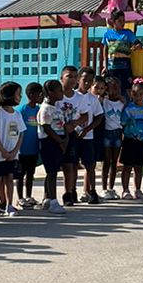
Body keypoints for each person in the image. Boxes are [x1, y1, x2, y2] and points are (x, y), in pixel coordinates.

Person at [0, 82, 25, 216]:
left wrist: (14, 152)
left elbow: (21, 134)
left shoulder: (17, 114)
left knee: (9, 178)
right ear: (9, 95)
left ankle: (9, 205)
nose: (20, 97)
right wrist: (2, 150)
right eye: (18, 94)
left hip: (12, 154)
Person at [36, 79, 68, 212]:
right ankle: (54, 201)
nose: (62, 92)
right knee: (52, 172)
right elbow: (47, 128)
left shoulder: (58, 107)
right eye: (59, 90)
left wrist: (65, 138)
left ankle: (48, 198)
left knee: (53, 170)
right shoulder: (45, 109)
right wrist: (60, 142)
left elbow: (63, 124)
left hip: (59, 140)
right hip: (49, 142)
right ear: (50, 93)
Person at [119, 78, 143, 200]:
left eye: (141, 94)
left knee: (139, 167)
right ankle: (125, 190)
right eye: (135, 94)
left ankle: (138, 190)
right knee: (127, 166)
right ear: (131, 94)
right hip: (130, 140)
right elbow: (122, 122)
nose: (138, 96)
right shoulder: (128, 108)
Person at [56, 67, 84, 207]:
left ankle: (69, 193)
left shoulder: (79, 98)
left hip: (71, 134)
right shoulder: (55, 96)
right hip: (55, 134)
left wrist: (75, 123)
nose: (72, 79)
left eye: (74, 76)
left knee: (69, 165)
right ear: (61, 78)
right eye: (69, 76)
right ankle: (49, 195)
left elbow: (85, 115)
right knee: (53, 167)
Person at [75, 68, 104, 204]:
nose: (86, 83)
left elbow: (99, 117)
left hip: (88, 137)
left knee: (90, 165)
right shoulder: (72, 96)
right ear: (78, 79)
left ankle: (92, 191)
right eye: (84, 80)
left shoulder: (93, 99)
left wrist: (87, 129)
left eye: (89, 81)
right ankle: (71, 191)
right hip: (74, 136)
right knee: (72, 165)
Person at [16, 82, 42, 208]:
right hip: (22, 149)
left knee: (31, 174)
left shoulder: (39, 110)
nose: (41, 96)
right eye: (39, 94)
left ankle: (28, 196)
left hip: (33, 149)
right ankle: (20, 198)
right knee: (20, 175)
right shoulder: (22, 110)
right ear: (31, 95)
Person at [102, 10, 139, 97]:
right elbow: (105, 49)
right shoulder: (108, 34)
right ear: (113, 21)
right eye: (120, 21)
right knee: (112, 87)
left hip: (125, 67)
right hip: (112, 67)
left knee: (126, 89)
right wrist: (105, 65)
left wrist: (136, 47)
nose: (123, 23)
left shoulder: (128, 33)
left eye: (123, 20)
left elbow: (138, 43)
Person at [101, 75, 125, 198]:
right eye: (112, 88)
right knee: (106, 161)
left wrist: (125, 102)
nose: (115, 91)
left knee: (114, 163)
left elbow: (127, 114)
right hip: (107, 133)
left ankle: (111, 188)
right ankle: (104, 188)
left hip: (117, 133)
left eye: (117, 88)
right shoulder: (104, 101)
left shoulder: (122, 103)